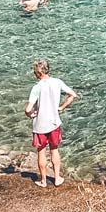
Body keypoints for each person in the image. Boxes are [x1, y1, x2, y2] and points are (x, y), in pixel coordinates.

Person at [24, 59, 76, 188]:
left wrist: (31, 115)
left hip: (40, 125)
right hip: (54, 123)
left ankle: (43, 181)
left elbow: (28, 109)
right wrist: (61, 107)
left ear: (38, 72)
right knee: (54, 150)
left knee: (41, 151)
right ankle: (57, 178)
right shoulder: (57, 82)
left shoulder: (37, 87)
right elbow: (72, 95)